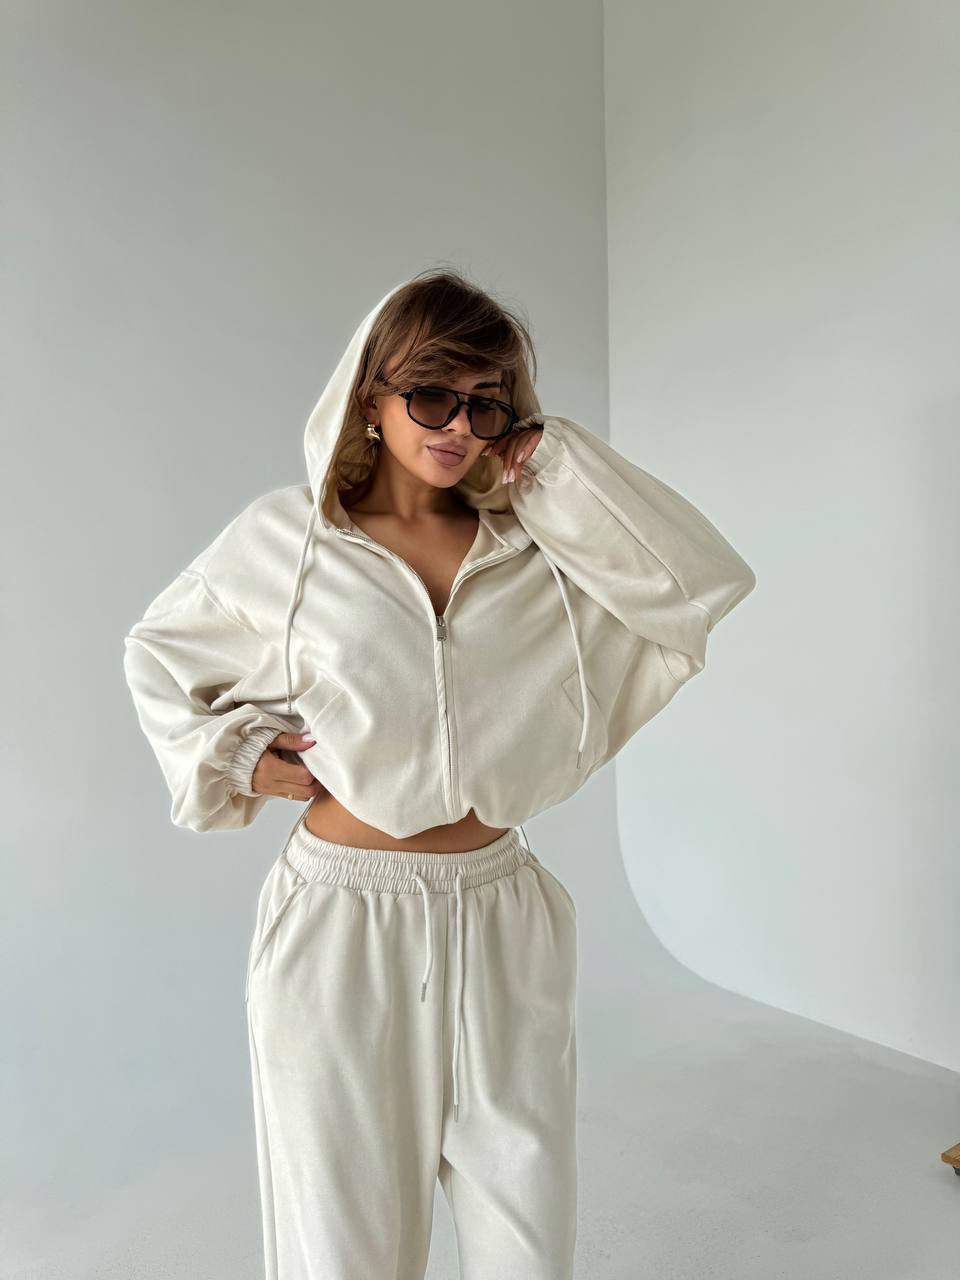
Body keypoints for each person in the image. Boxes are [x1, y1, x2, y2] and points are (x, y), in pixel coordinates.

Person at [122, 267, 757, 1280]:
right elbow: (158, 654)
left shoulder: (541, 554)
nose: (459, 425)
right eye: (430, 396)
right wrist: (232, 753)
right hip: (339, 927)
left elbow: (699, 586)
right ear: (370, 398)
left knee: (525, 1240)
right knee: (343, 1245)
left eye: (484, 402)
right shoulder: (287, 544)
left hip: (501, 917)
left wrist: (553, 465)